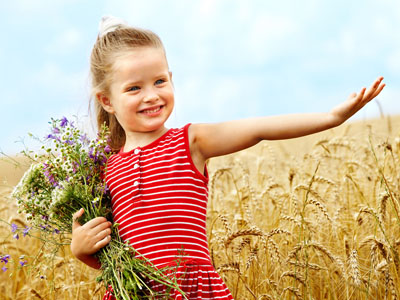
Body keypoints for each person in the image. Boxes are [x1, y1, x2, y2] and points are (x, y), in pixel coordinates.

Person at [70, 16, 385, 300]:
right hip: (136, 293)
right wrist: (81, 250)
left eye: (160, 81)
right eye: (134, 88)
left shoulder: (189, 141)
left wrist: (330, 118)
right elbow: (112, 258)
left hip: (192, 290)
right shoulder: (104, 169)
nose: (151, 95)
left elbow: (258, 129)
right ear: (107, 100)